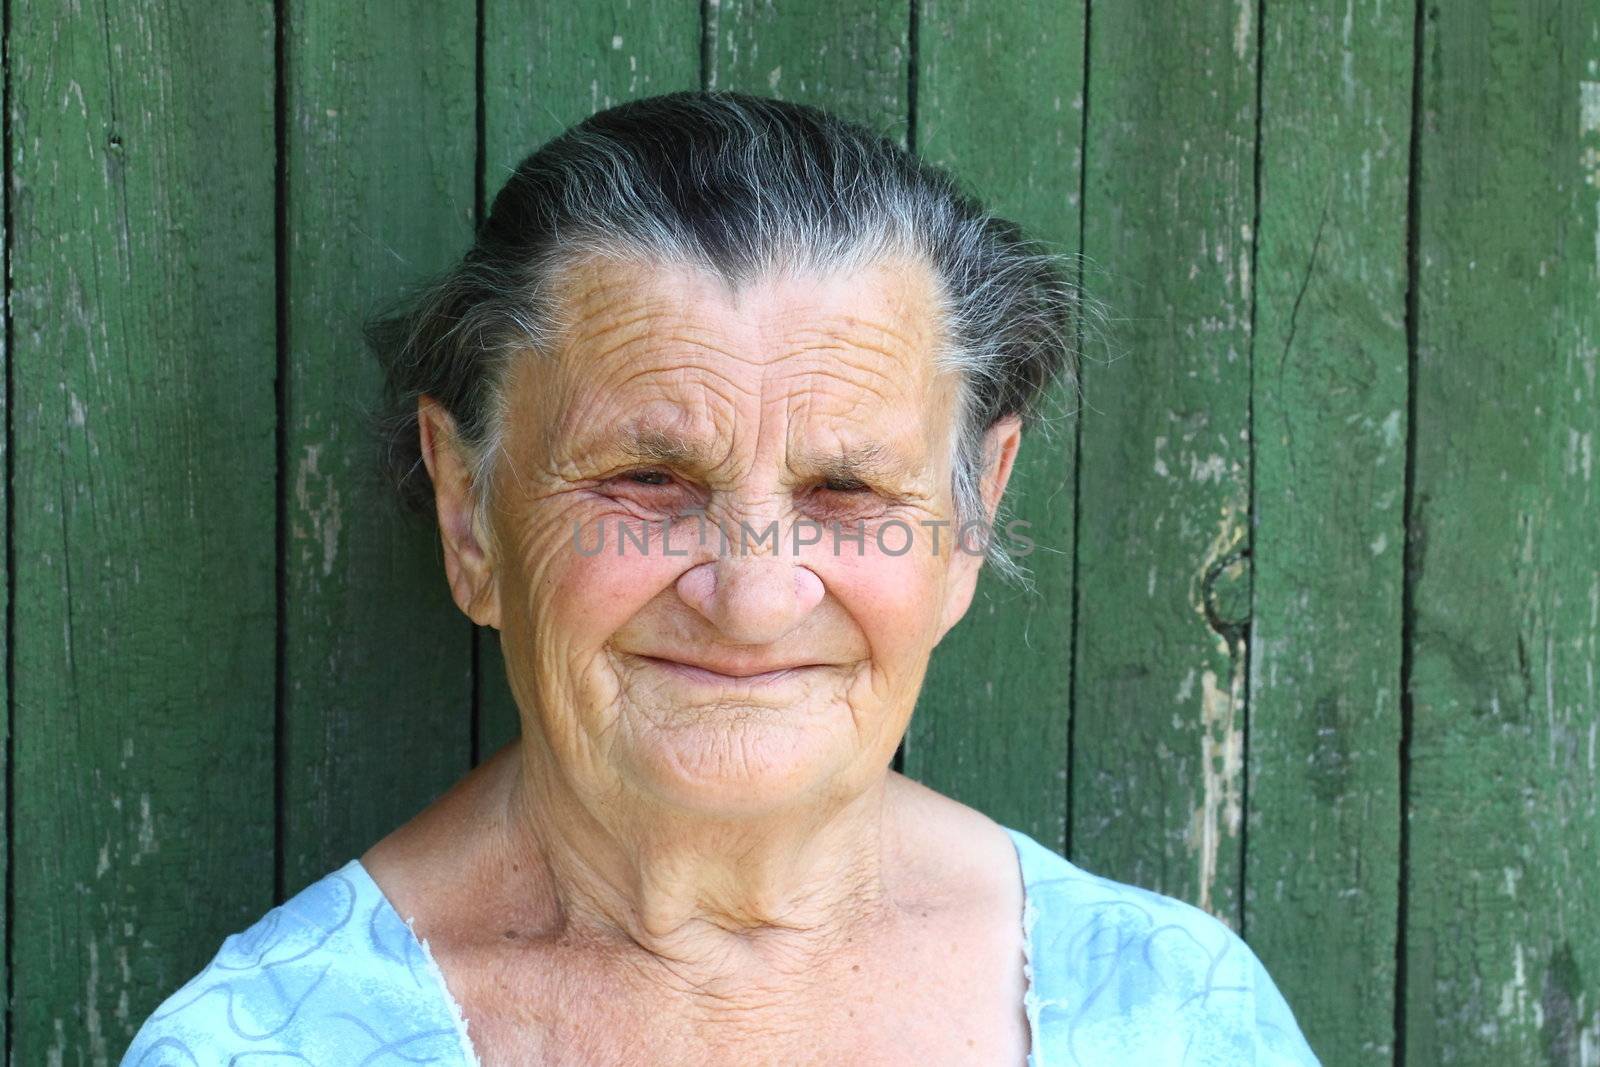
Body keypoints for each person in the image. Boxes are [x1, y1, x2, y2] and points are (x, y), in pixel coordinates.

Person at [123, 91, 1319, 1066]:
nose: (751, 598)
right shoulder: (267, 1045)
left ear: (969, 518)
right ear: (468, 508)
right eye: (646, 478)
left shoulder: (1175, 1013)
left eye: (846, 493)